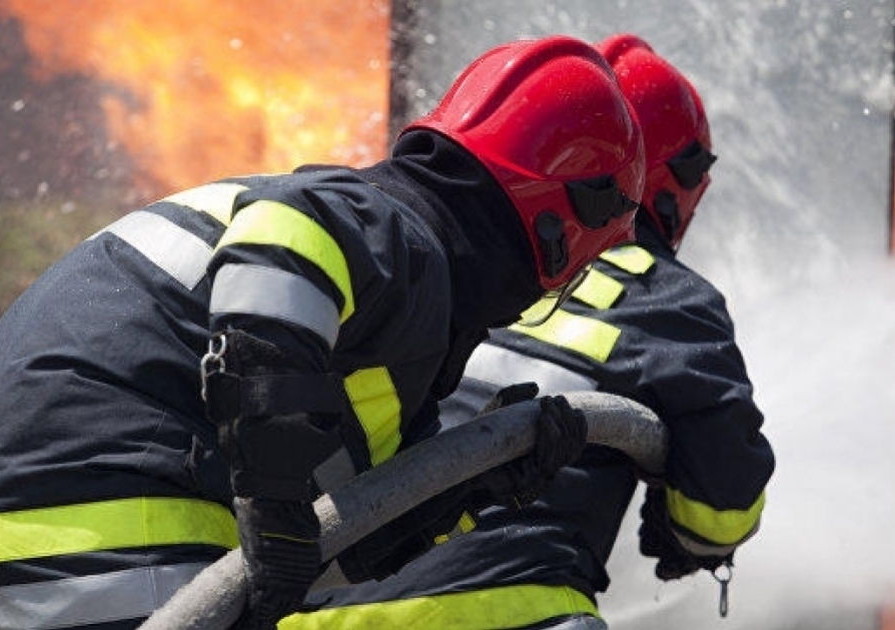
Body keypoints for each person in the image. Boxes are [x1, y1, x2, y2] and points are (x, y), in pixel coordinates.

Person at [0, 36, 646, 630]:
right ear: (563, 228)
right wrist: (273, 495)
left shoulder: (369, 316)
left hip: (31, 544)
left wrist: (477, 486)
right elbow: (288, 236)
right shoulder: (393, 232)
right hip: (100, 537)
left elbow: (327, 546)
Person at [280, 33, 775, 630]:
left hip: (312, 611)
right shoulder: (668, 299)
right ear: (670, 184)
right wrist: (686, 529)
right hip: (508, 614)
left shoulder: (434, 263)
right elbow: (720, 511)